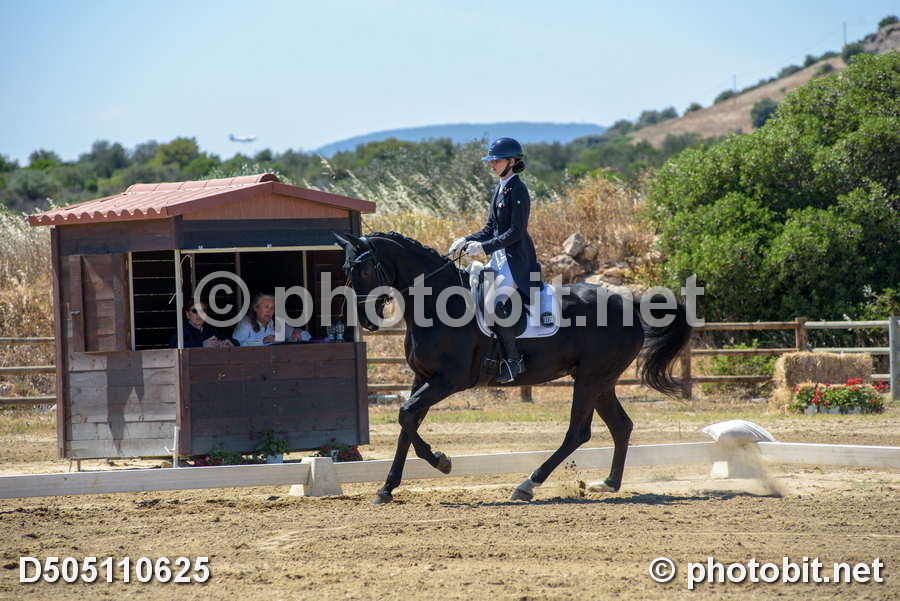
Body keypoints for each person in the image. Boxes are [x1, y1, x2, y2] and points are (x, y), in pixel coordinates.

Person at [448, 137, 541, 383]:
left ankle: (513, 360)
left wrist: (484, 247)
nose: (492, 165)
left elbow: (516, 232)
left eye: (496, 161)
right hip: (499, 257)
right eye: (491, 160)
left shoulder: (518, 189)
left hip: (515, 261)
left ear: (511, 161)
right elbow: (491, 228)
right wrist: (466, 239)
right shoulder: (500, 188)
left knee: (493, 302)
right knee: (475, 294)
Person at [232, 292, 311, 346]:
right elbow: (237, 345)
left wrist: (298, 333)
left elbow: (307, 337)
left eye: (272, 308)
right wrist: (263, 341)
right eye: (266, 307)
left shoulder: (277, 323)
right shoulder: (245, 324)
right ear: (256, 308)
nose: (269, 311)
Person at [170, 300, 238, 348]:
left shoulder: (209, 330)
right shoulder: (182, 331)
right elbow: (175, 346)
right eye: (195, 311)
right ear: (187, 314)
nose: (199, 314)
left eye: (202, 311)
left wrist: (227, 343)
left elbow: (236, 342)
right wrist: (202, 345)